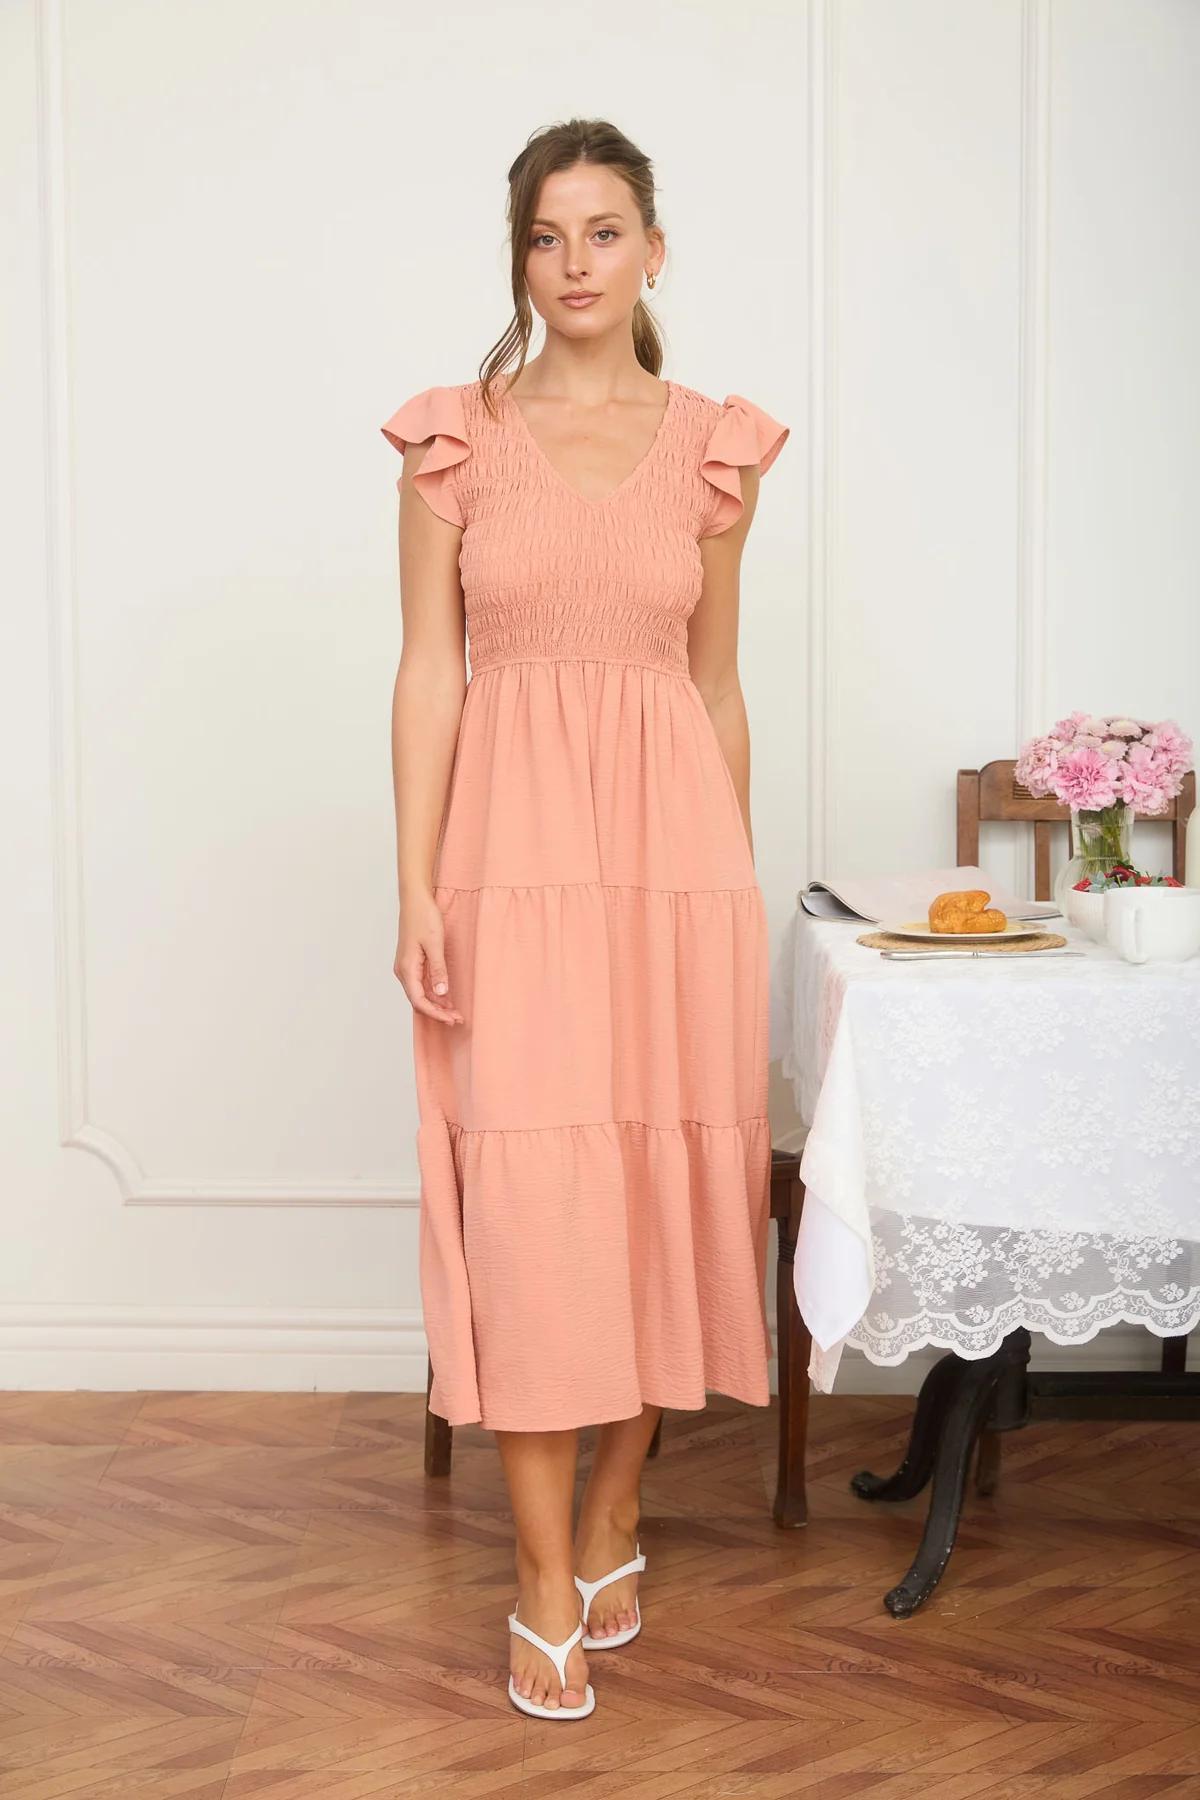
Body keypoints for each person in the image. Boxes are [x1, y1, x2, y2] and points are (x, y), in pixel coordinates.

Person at [381, 117, 788, 1722]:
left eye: (604, 233)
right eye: (546, 239)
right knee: (535, 1202)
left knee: (665, 1184)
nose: (574, 267)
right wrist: (415, 881)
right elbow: (429, 674)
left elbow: (716, 685)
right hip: (507, 855)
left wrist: (731, 885)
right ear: (518, 261)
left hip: (675, 865)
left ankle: (622, 1504)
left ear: (654, 251)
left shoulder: (720, 449)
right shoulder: (451, 442)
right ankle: (544, 1574)